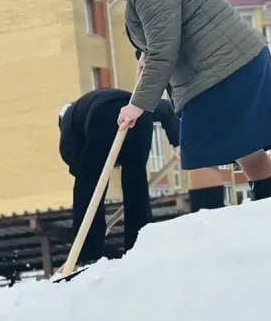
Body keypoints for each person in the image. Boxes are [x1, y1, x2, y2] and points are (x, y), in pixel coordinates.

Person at [86, 0, 271, 212]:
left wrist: (137, 105)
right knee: (246, 149)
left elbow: (164, 51)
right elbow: (164, 37)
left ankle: (206, 228)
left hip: (220, 72)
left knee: (200, 153)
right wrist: (146, 53)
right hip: (239, 63)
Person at [58, 87, 182, 263]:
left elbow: (77, 164)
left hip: (103, 116)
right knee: (136, 185)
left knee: (89, 188)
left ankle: (87, 252)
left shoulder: (69, 122)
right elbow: (165, 109)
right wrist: (178, 141)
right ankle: (139, 247)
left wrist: (94, 223)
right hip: (138, 115)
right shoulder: (88, 105)